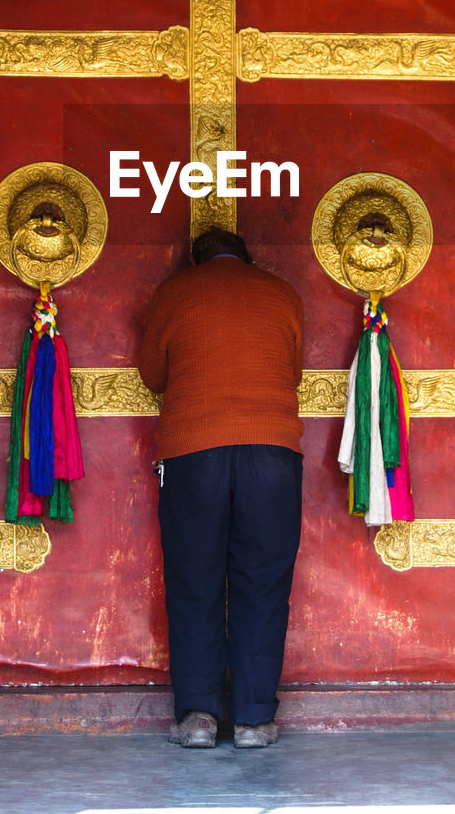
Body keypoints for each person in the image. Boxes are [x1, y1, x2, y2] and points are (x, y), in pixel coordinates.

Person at [138, 226, 304, 749]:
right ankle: (254, 719)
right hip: (273, 453)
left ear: (197, 262)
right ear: (246, 258)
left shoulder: (174, 292)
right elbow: (293, 372)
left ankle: (199, 717)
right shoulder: (282, 294)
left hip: (194, 453)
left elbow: (151, 374)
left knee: (195, 580)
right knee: (263, 582)